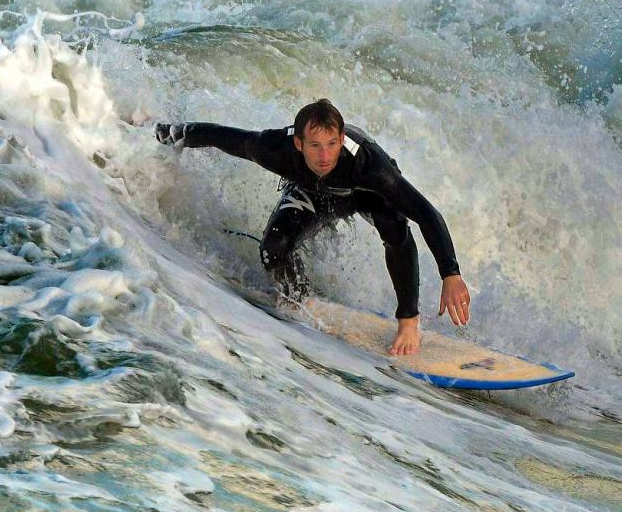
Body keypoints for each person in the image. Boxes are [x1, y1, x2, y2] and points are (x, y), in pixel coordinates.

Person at [155, 99, 471, 355]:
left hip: (366, 192)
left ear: (342, 137)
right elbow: (222, 137)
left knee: (394, 227)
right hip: (312, 191)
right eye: (315, 145)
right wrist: (167, 133)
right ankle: (301, 299)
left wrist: (450, 272)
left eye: (332, 144)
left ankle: (408, 321)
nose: (324, 156)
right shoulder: (275, 148)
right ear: (298, 143)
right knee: (273, 249)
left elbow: (426, 213)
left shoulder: (368, 163)